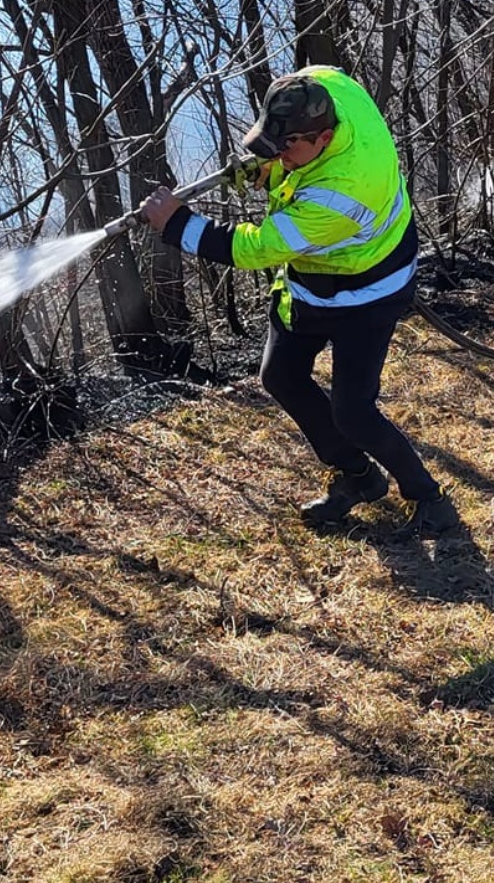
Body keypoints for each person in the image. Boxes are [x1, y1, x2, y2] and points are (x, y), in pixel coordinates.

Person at [140, 66, 454, 535]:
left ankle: (426, 495)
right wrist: (265, 166)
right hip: (314, 283)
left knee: (353, 410)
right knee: (281, 376)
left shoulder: (345, 191)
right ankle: (357, 476)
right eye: (274, 143)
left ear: (324, 137)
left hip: (367, 294)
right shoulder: (325, 86)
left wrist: (178, 225)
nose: (280, 156)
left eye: (288, 149)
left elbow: (256, 247)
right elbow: (301, 148)